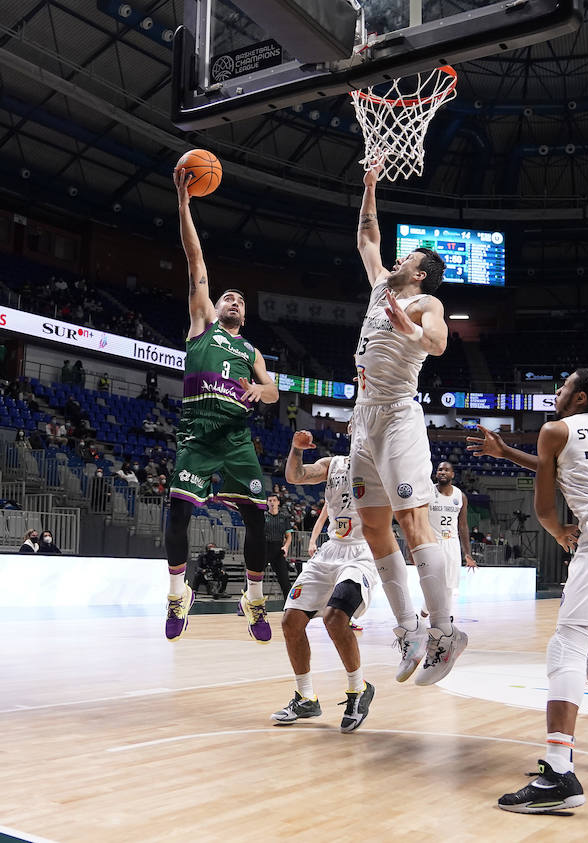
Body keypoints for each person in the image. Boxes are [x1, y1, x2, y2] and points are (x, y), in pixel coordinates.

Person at [470, 334, 588, 762]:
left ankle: (559, 767)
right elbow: (566, 463)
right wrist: (507, 453)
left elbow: (555, 487)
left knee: (569, 645)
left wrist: (559, 531)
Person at [352, 159, 460, 685]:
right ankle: (408, 628)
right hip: (361, 419)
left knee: (412, 521)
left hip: (397, 415)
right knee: (372, 525)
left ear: (418, 273)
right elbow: (367, 236)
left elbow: (439, 344)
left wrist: (410, 330)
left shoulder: (425, 301)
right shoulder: (379, 287)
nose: (395, 257)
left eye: (408, 257)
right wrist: (370, 187)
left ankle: (444, 631)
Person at [163, 167, 280, 643]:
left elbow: (272, 390)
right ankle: (177, 594)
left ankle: (253, 599)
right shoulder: (202, 325)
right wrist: (185, 204)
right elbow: (196, 261)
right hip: (196, 431)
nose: (231, 301)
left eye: (238, 300)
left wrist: (260, 391)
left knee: (256, 517)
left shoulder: (251, 352)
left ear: (245, 314)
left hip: (235, 436)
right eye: (226, 296)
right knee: (178, 512)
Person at [274, 429, 379, 732]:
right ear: (350, 431)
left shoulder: (385, 463)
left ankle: (358, 689)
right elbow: (295, 476)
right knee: (290, 621)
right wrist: (296, 449)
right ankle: (306, 697)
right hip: (331, 550)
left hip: (363, 552)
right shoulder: (333, 464)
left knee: (335, 619)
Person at [425, 461, 475, 613]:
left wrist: (467, 553)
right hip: (432, 542)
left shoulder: (460, 496)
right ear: (436, 473)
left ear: (452, 474)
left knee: (449, 584)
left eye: (446, 470)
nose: (442, 472)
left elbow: (463, 526)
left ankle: (443, 616)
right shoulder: (428, 492)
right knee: (433, 583)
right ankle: (426, 614)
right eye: (440, 469)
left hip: (451, 543)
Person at [263, 493, 295, 597]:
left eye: (274, 500)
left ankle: (289, 606)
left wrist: (286, 547)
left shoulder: (284, 517)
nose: (272, 502)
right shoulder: (263, 516)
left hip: (278, 549)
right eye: (270, 500)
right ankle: (245, 603)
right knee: (255, 576)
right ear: (267, 503)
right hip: (265, 548)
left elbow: (289, 536)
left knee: (285, 580)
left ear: (278, 502)